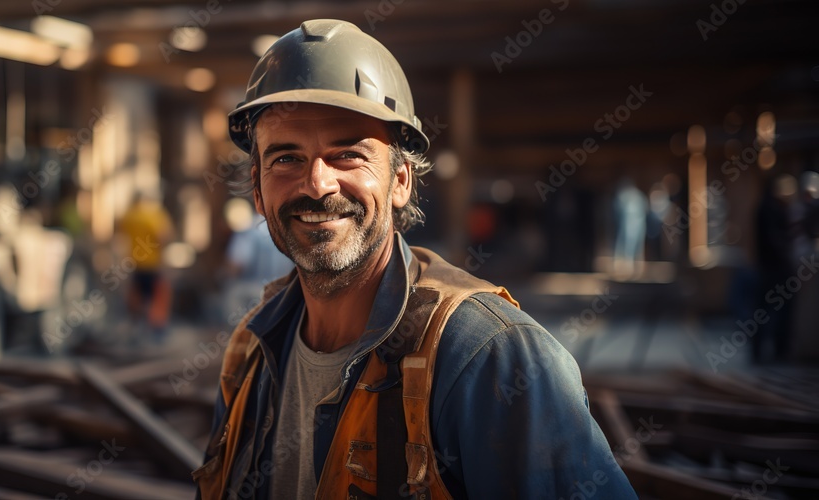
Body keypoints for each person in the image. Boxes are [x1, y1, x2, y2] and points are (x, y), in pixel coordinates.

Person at [195, 19, 637, 499]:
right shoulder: (250, 350)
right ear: (257, 190)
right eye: (286, 158)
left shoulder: (490, 356)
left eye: (348, 155)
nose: (317, 184)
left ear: (400, 181)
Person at [118, 190, 175, 340]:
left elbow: (120, 231)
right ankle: (156, 332)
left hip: (135, 263)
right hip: (153, 264)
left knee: (138, 297)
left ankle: (137, 330)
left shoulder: (129, 216)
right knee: (156, 297)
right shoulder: (154, 215)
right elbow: (164, 236)